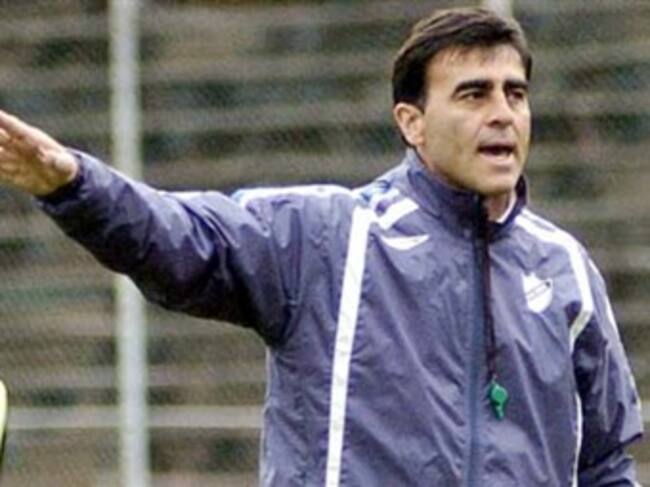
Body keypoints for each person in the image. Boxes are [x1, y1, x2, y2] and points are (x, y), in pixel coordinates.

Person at [0, 6, 643, 486]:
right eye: (473, 94)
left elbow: (605, 464)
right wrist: (75, 184)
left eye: (516, 93)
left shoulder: (566, 269)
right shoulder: (328, 238)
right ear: (412, 123)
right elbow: (184, 238)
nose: (502, 113)